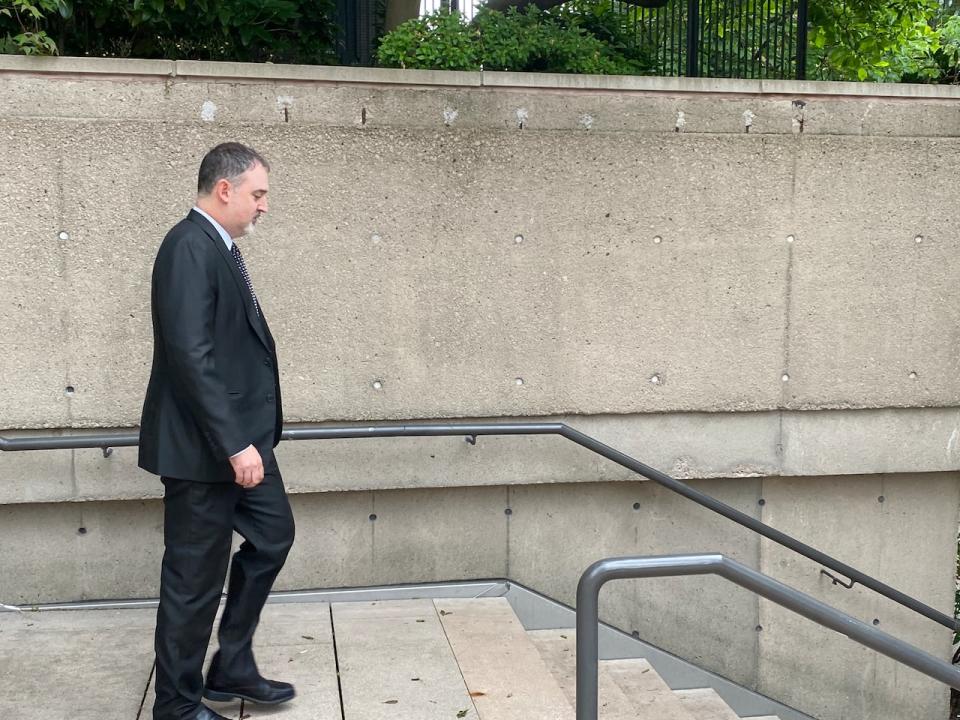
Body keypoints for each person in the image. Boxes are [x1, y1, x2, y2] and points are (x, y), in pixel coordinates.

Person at [139, 142, 296, 720]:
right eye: (258, 194)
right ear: (224, 189)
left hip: (245, 444)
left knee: (273, 537)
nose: (264, 206)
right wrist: (233, 443)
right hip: (206, 452)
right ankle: (176, 706)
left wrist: (249, 441)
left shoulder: (219, 248)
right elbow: (190, 356)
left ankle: (230, 664)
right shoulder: (188, 247)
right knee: (192, 581)